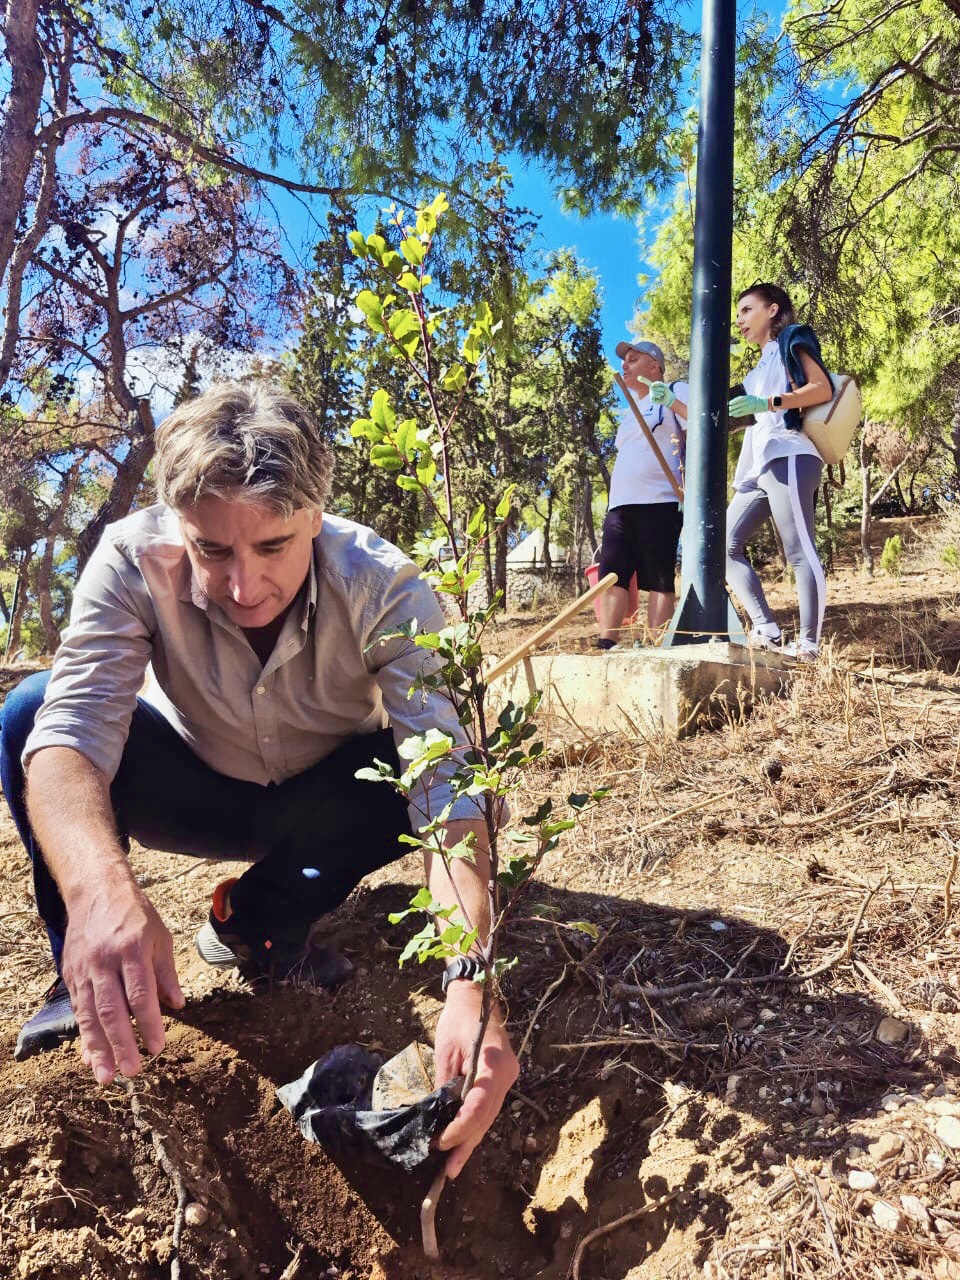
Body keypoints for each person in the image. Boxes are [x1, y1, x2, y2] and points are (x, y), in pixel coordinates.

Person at [0, 381, 517, 1180]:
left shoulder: (386, 587)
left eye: (272, 546)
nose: (243, 586)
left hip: (328, 801)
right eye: (212, 550)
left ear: (316, 515)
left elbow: (444, 787)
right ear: (178, 524)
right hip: (190, 787)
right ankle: (85, 976)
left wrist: (470, 978)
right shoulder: (131, 560)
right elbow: (70, 736)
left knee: (430, 776)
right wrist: (102, 889)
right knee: (29, 713)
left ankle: (258, 923)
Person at [726, 283, 834, 660]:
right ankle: (767, 629)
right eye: (738, 313)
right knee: (723, 547)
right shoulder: (755, 371)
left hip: (789, 454)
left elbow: (820, 388)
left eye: (746, 310)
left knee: (799, 550)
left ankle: (808, 645)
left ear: (772, 310)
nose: (738, 320)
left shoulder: (792, 338)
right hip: (758, 468)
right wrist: (672, 399)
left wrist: (771, 402)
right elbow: (713, 416)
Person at [596, 339, 688, 648]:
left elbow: (703, 423)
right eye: (625, 360)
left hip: (660, 500)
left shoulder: (677, 390)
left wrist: (673, 401)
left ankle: (657, 645)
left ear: (654, 365)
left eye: (634, 359)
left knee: (659, 575)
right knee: (612, 573)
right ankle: (607, 644)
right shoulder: (628, 412)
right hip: (620, 504)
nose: (625, 364)